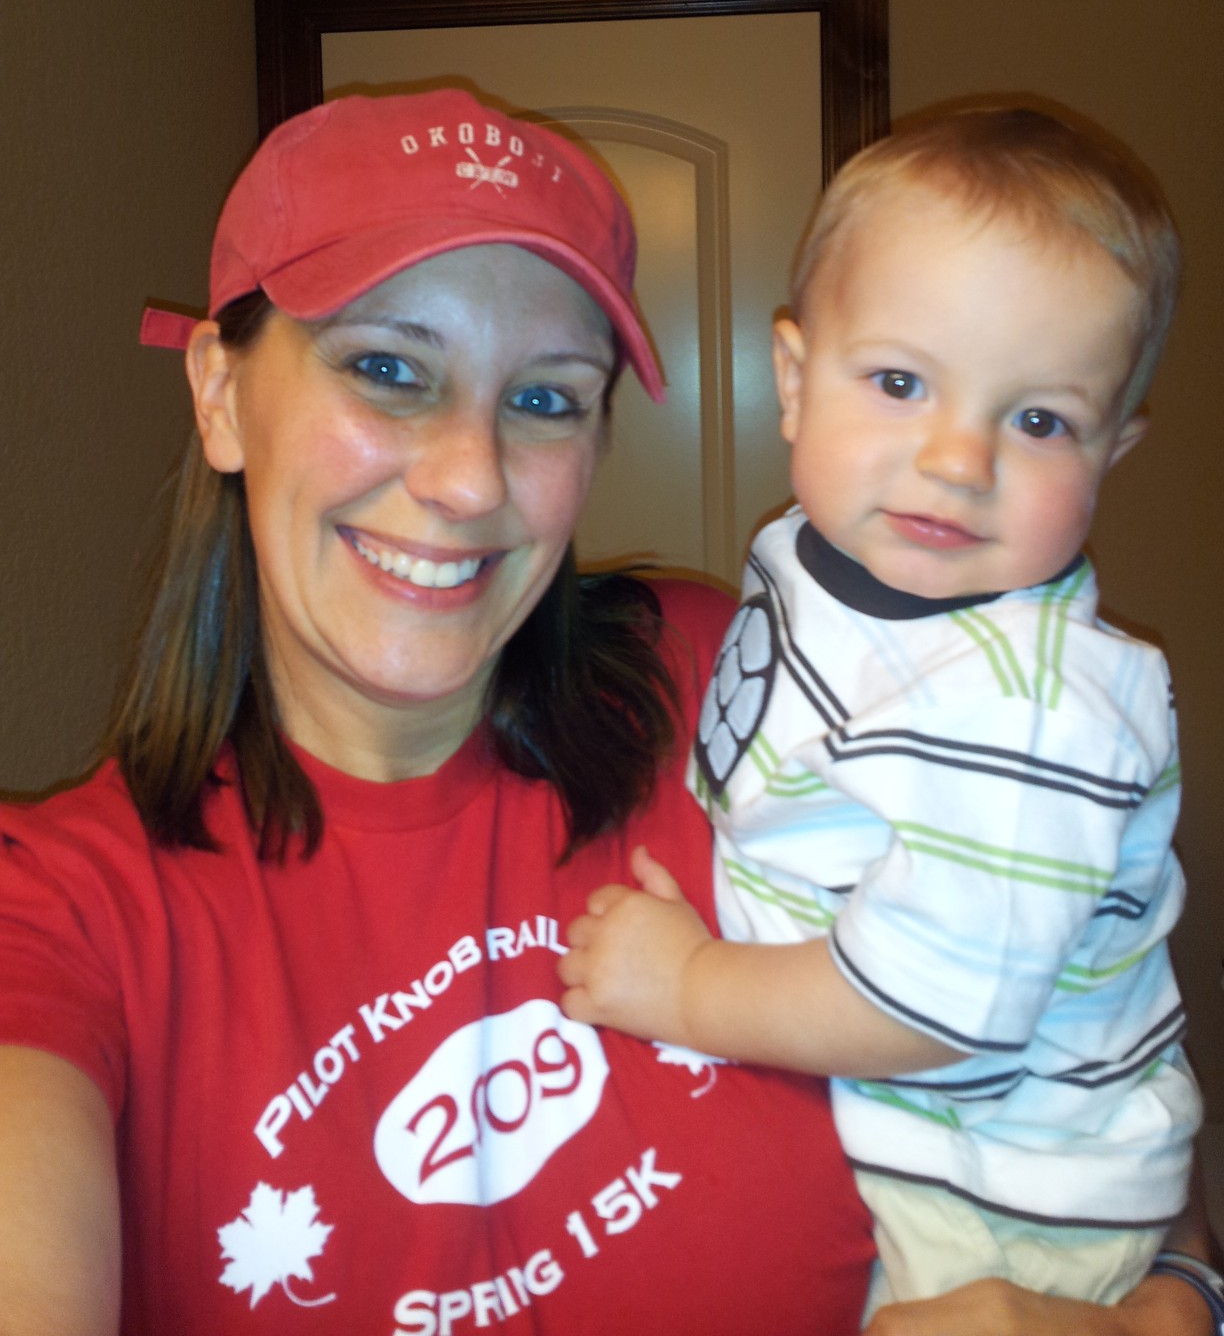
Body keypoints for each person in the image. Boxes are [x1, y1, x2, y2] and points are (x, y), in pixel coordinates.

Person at [0, 90, 1214, 1336]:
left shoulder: (730, 677)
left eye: (545, 398)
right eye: (387, 369)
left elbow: (1088, 1054)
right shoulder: (58, 918)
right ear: (218, 392)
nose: (468, 477)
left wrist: (1171, 1313)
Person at [558, 107, 1211, 1319]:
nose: (958, 461)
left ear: (1112, 453)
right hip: (903, 1135)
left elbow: (933, 1009)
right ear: (793, 383)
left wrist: (691, 987)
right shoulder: (814, 558)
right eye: (902, 382)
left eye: (1040, 420)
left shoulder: (1032, 713)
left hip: (998, 1199)